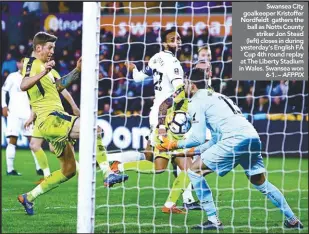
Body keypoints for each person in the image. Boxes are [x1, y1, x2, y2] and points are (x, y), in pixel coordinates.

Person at [156, 68, 304, 230]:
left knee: (194, 171)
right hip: (252, 137)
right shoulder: (220, 97)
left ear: (192, 85)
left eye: (185, 82)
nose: (184, 86)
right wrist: (191, 151)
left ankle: (213, 220)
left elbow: (197, 138)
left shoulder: (196, 102)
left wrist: (174, 144)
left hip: (234, 139)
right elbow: (215, 139)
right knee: (260, 182)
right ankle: (293, 220)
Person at [17, 32, 128, 215]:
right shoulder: (31, 62)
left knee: (68, 170)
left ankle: (28, 197)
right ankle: (108, 174)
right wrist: (44, 71)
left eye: (54, 47)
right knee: (94, 129)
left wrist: (77, 70)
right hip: (51, 119)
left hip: (55, 119)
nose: (53, 51)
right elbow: (23, 85)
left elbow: (58, 86)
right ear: (38, 48)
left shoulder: (48, 70)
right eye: (49, 47)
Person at [114, 27, 201, 213]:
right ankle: (117, 165)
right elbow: (179, 91)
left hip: (157, 113)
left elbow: (137, 78)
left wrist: (133, 68)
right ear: (164, 42)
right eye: (172, 39)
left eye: (178, 38)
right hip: (168, 115)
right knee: (169, 164)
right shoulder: (175, 64)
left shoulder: (154, 58)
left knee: (173, 161)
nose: (177, 41)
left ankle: (176, 202)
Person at [2, 57, 42, 176]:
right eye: (20, 62)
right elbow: (3, 90)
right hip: (13, 113)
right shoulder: (12, 77)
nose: (22, 64)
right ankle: (10, 169)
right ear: (17, 63)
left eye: (24, 62)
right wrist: (4, 105)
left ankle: (39, 167)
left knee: (33, 141)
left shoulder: (32, 77)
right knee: (12, 139)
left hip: (27, 114)